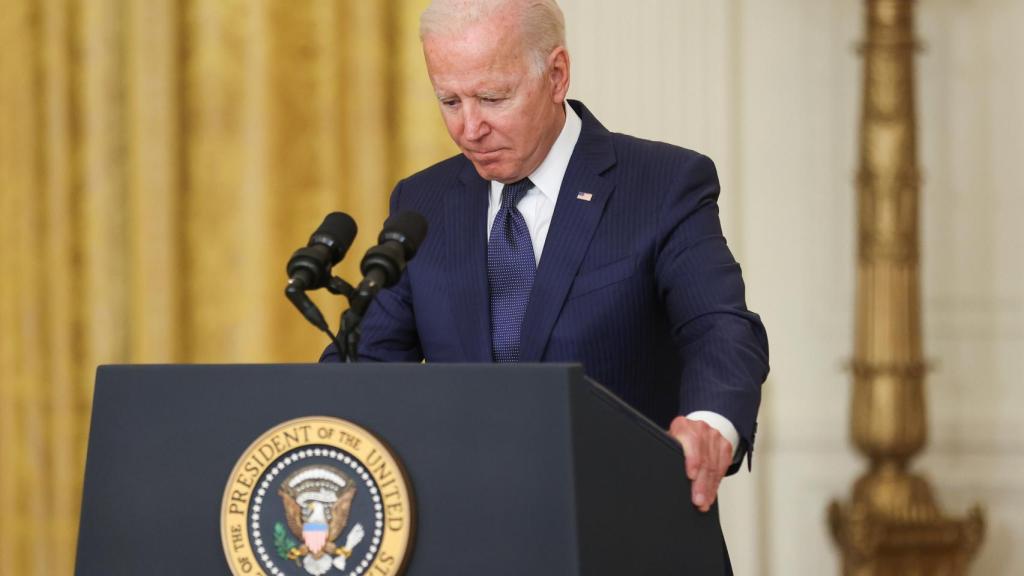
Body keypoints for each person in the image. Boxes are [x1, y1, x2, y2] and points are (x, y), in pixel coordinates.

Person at [323, 0, 768, 528]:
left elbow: (718, 327)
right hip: (472, 536)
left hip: (628, 531)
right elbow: (368, 363)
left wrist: (708, 426)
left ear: (556, 75)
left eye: (492, 97)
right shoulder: (424, 204)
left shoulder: (662, 185)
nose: (469, 128)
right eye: (448, 100)